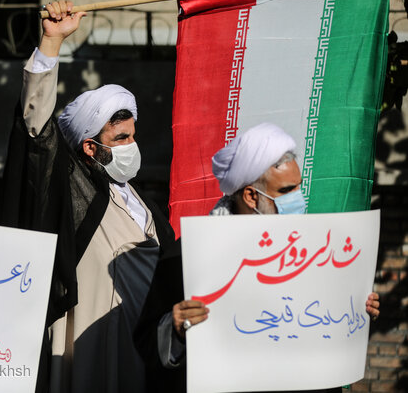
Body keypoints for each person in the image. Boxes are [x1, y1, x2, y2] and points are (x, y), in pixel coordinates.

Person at [1, 1, 178, 393]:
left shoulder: (139, 200)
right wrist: (51, 43)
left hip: (147, 348)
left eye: (132, 135)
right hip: (92, 350)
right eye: (120, 139)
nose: (132, 146)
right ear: (89, 148)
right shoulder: (72, 190)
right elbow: (37, 135)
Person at [135, 122, 380, 393]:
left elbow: (326, 324)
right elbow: (148, 346)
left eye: (299, 187)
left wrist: (356, 311)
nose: (299, 199)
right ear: (251, 196)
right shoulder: (185, 256)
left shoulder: (316, 253)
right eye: (287, 191)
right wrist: (176, 327)